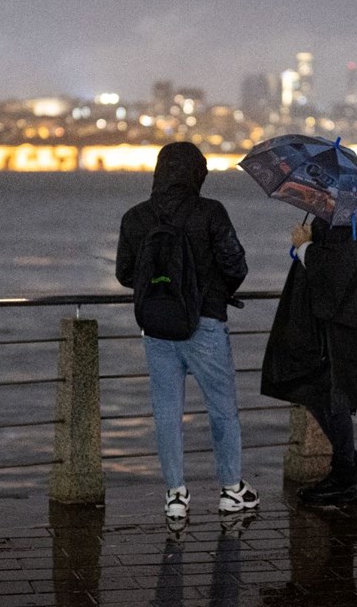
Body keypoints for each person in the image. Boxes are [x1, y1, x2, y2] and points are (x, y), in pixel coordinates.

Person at [116, 142, 258, 522]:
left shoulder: (136, 218)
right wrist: (214, 291)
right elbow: (236, 264)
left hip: (157, 326)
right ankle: (231, 490)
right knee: (222, 409)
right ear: (197, 173)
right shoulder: (210, 212)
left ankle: (175, 495)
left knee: (166, 412)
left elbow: (125, 274)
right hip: (206, 323)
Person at [261, 216, 357, 505]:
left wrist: (304, 245)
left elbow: (337, 271)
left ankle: (346, 476)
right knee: (326, 391)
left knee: (329, 392)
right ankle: (349, 472)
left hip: (341, 325)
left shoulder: (350, 221)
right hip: (349, 320)